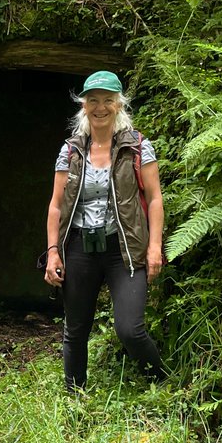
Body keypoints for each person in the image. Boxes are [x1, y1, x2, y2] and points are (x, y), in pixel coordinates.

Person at [44, 71, 167, 390]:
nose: (100, 107)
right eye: (93, 100)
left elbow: (154, 199)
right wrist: (53, 252)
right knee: (76, 329)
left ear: (119, 105)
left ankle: (163, 387)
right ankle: (75, 397)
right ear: (83, 105)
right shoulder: (70, 150)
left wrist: (155, 247)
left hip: (123, 248)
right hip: (80, 248)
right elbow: (56, 205)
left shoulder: (137, 146)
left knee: (130, 329)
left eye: (108, 100)